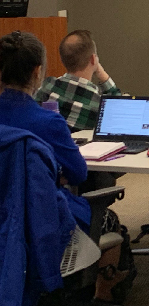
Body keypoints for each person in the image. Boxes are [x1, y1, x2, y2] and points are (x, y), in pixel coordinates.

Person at [0, 31, 91, 230]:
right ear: (37, 71)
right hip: (40, 219)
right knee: (108, 221)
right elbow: (78, 174)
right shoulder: (49, 122)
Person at [35, 29, 121, 132]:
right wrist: (101, 72)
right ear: (93, 59)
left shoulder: (46, 87)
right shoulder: (99, 105)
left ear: (63, 59)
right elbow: (118, 106)